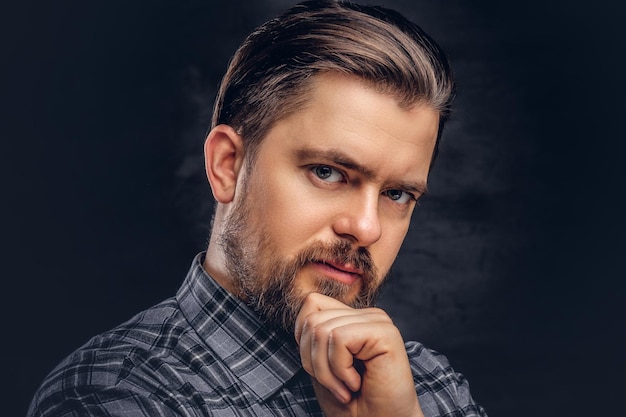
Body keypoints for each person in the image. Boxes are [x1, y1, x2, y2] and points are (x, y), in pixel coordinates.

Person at [28, 1, 487, 416]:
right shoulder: (115, 395)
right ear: (228, 165)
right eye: (327, 172)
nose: (366, 228)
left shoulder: (428, 387)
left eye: (397, 195)